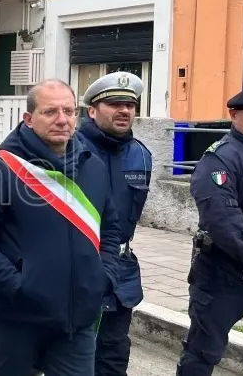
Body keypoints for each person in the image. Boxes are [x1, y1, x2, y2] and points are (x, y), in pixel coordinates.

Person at [0, 79, 121, 376]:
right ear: (28, 119)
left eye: (69, 111)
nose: (62, 119)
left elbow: (109, 229)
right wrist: (18, 286)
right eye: (50, 112)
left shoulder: (93, 166)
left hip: (78, 318)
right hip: (18, 317)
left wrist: (103, 276)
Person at [176, 87, 243, 376]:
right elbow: (225, 223)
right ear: (234, 115)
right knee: (203, 353)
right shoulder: (219, 160)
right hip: (224, 275)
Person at [75, 72, 152, 376]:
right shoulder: (67, 149)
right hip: (76, 263)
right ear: (91, 111)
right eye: (114, 104)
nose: (124, 111)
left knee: (113, 354)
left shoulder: (141, 156)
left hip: (120, 269)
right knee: (69, 354)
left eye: (130, 105)